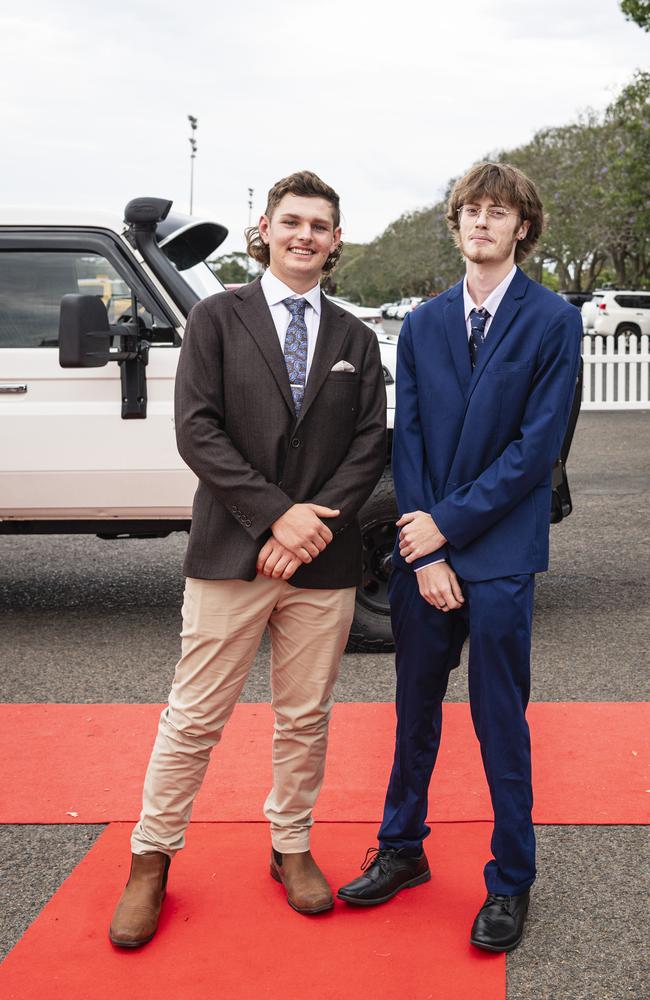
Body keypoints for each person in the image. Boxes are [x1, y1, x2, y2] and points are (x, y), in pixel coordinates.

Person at [109, 170, 386, 947]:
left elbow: (369, 446)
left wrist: (310, 528)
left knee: (305, 717)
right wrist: (276, 518)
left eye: (320, 225)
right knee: (194, 716)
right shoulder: (216, 320)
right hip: (233, 551)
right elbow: (198, 433)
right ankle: (150, 859)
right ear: (263, 229)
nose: (305, 235)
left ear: (336, 241)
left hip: (323, 562)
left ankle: (290, 845)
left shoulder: (356, 339)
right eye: (291, 221)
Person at [337, 162, 582, 953]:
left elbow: (534, 449)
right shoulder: (424, 323)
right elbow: (406, 439)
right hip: (424, 553)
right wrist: (420, 538)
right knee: (412, 712)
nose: (482, 222)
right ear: (457, 225)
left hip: (501, 553)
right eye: (471, 211)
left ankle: (511, 878)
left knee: (499, 720)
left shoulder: (552, 320)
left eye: (498, 212)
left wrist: (445, 529)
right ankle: (401, 847)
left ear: (522, 227)